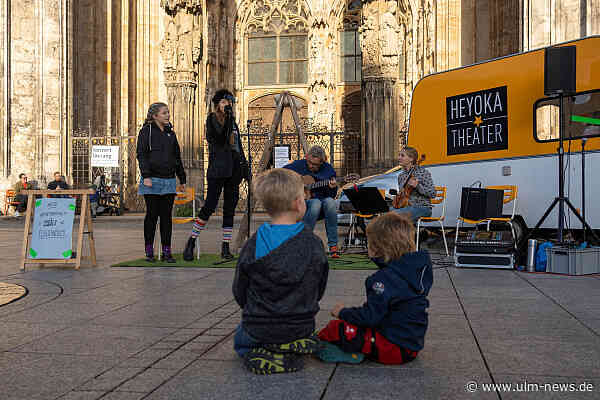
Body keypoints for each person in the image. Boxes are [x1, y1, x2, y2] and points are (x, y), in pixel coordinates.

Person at [232, 168, 329, 374]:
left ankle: (261, 349)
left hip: (259, 324)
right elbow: (319, 286)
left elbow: (239, 288)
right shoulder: (313, 243)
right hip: (300, 322)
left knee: (240, 338)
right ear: (298, 203)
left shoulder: (253, 243)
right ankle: (293, 344)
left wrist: (254, 310)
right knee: (294, 330)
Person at [317, 212, 432, 365]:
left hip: (393, 348)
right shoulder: (414, 271)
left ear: (378, 248)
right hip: (412, 347)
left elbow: (370, 317)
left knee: (336, 328)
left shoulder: (383, 280)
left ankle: (336, 349)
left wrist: (343, 312)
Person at [183, 89, 249, 261]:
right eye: (224, 102)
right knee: (210, 206)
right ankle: (191, 241)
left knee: (230, 208)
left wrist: (245, 167)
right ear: (218, 105)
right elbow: (219, 140)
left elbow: (238, 147)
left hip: (233, 170)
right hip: (218, 169)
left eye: (229, 102)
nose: (227, 105)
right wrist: (227, 121)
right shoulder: (212, 120)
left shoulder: (232, 122)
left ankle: (225, 246)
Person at [137, 102, 186, 263]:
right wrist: (146, 175)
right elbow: (142, 155)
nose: (168, 115)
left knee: (166, 217)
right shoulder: (146, 132)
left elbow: (177, 157)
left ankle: (166, 250)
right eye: (164, 113)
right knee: (152, 215)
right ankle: (149, 250)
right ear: (154, 115)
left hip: (169, 180)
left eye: (168, 112)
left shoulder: (171, 134)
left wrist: (182, 178)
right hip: (152, 179)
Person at [283, 145, 340, 258]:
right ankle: (304, 241)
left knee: (330, 203)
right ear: (307, 158)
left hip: (322, 205)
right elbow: (282, 173)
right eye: (309, 162)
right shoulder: (298, 165)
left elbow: (332, 195)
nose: (311, 166)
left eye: (315, 165)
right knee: (315, 203)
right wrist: (298, 181)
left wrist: (333, 187)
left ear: (322, 163)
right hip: (304, 205)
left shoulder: (328, 170)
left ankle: (333, 246)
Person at [391, 146, 435, 223]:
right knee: (384, 213)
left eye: (402, 155)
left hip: (422, 207)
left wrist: (417, 186)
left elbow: (432, 193)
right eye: (399, 155)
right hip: (405, 207)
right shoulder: (401, 176)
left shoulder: (423, 173)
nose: (399, 158)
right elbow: (403, 194)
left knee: (394, 215)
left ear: (411, 159)